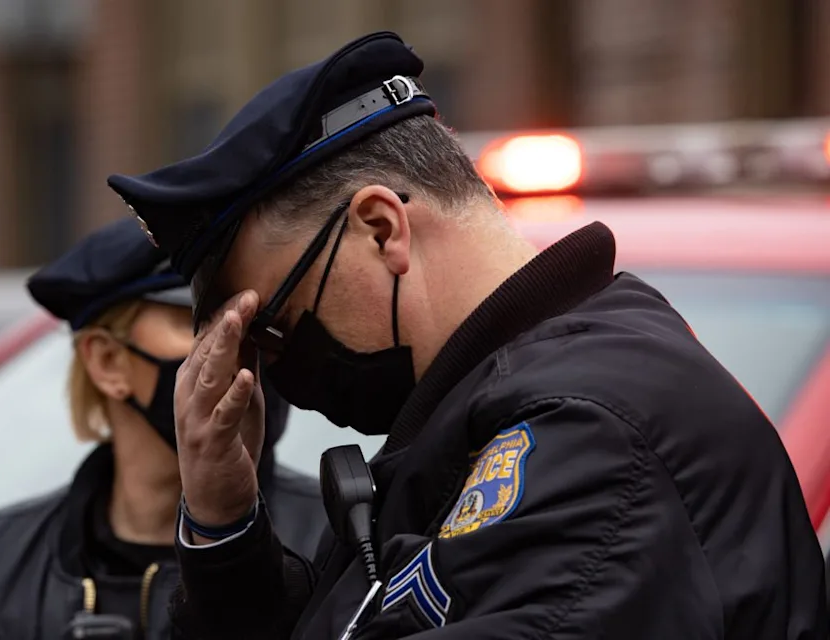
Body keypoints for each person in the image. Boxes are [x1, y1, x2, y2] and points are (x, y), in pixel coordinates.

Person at [107, 32, 828, 639]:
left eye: (274, 326)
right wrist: (225, 528)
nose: (273, 372)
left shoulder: (588, 437)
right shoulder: (489, 420)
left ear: (381, 228)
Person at [0, 218, 327, 640]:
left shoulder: (342, 547)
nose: (241, 344)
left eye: (258, 321)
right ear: (107, 361)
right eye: (204, 320)